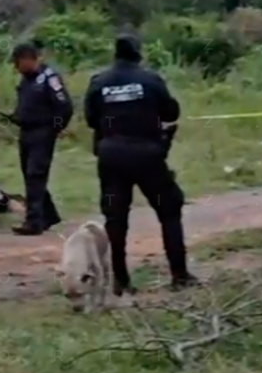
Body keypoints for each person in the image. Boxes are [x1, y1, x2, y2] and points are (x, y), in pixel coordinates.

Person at [83, 33, 201, 296]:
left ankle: (121, 281)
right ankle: (179, 274)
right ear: (138, 53)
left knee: (115, 219)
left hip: (111, 155)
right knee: (169, 210)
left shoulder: (98, 82)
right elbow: (171, 112)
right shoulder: (150, 79)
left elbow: (91, 118)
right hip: (147, 154)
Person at [1, 42, 73, 235]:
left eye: (18, 62)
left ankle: (33, 221)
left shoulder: (48, 78)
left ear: (28, 59)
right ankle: (48, 215)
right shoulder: (26, 80)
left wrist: (57, 127)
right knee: (30, 174)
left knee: (35, 174)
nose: (16, 67)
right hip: (26, 132)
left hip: (43, 132)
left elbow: (64, 106)